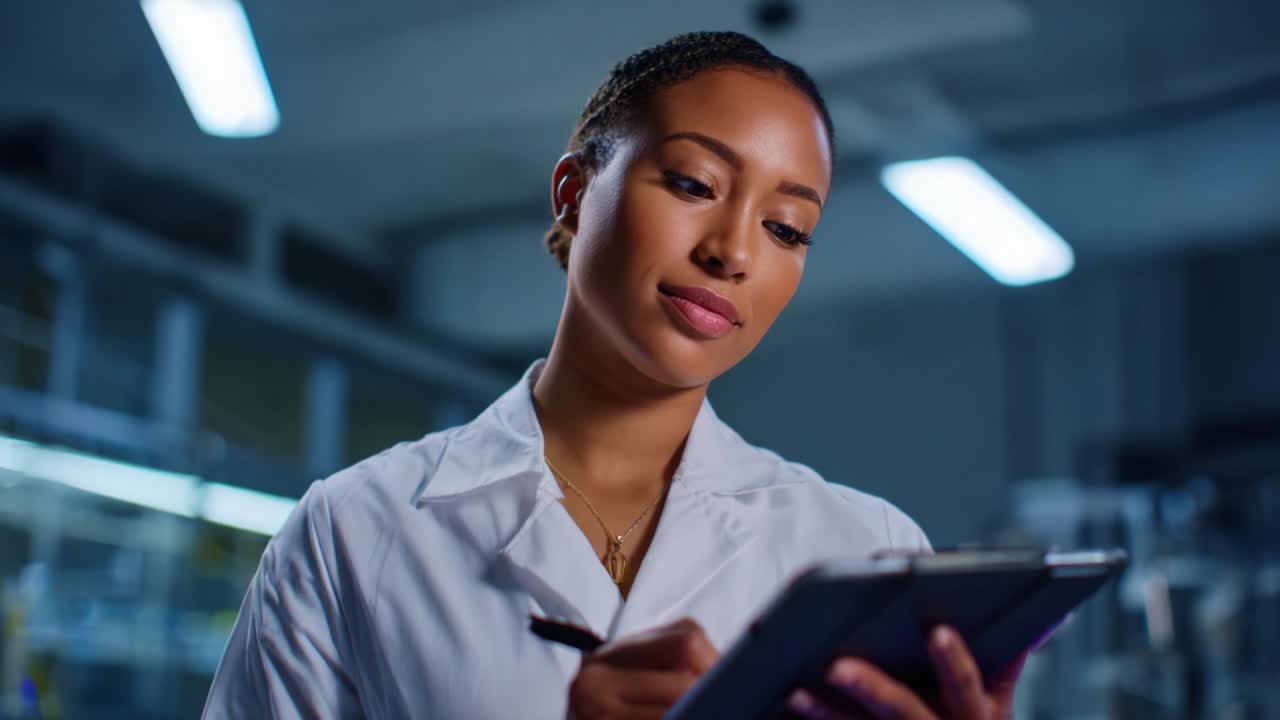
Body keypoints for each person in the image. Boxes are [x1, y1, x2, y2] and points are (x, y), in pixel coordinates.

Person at [201, 31, 1024, 720]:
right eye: (694, 184)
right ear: (572, 193)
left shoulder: (868, 555)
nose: (733, 253)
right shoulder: (355, 535)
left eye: (786, 228)